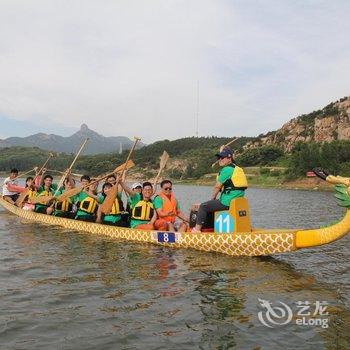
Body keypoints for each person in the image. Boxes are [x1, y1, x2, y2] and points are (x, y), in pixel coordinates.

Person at [192, 147, 247, 232]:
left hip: (227, 201)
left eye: (222, 158)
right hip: (237, 201)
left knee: (203, 206)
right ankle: (214, 228)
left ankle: (197, 230)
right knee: (210, 205)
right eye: (219, 158)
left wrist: (212, 199)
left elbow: (217, 187)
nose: (220, 160)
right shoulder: (236, 168)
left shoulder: (227, 170)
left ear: (229, 158)